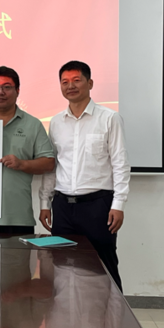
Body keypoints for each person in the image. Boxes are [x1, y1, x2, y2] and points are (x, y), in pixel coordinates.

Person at [39, 60, 130, 291]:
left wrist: (118, 204)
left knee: (103, 265)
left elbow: (120, 163)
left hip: (98, 206)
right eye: (65, 82)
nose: (70, 86)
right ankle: (69, 313)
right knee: (62, 265)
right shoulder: (56, 122)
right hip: (63, 206)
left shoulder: (109, 118)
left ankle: (113, 313)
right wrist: (45, 203)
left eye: (76, 80)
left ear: (90, 83)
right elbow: (53, 165)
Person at [0, 66, 55, 234]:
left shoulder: (33, 124)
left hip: (18, 215)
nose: (0, 92)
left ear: (17, 91)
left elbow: (49, 163)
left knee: (18, 253)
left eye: (7, 87)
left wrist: (22, 164)